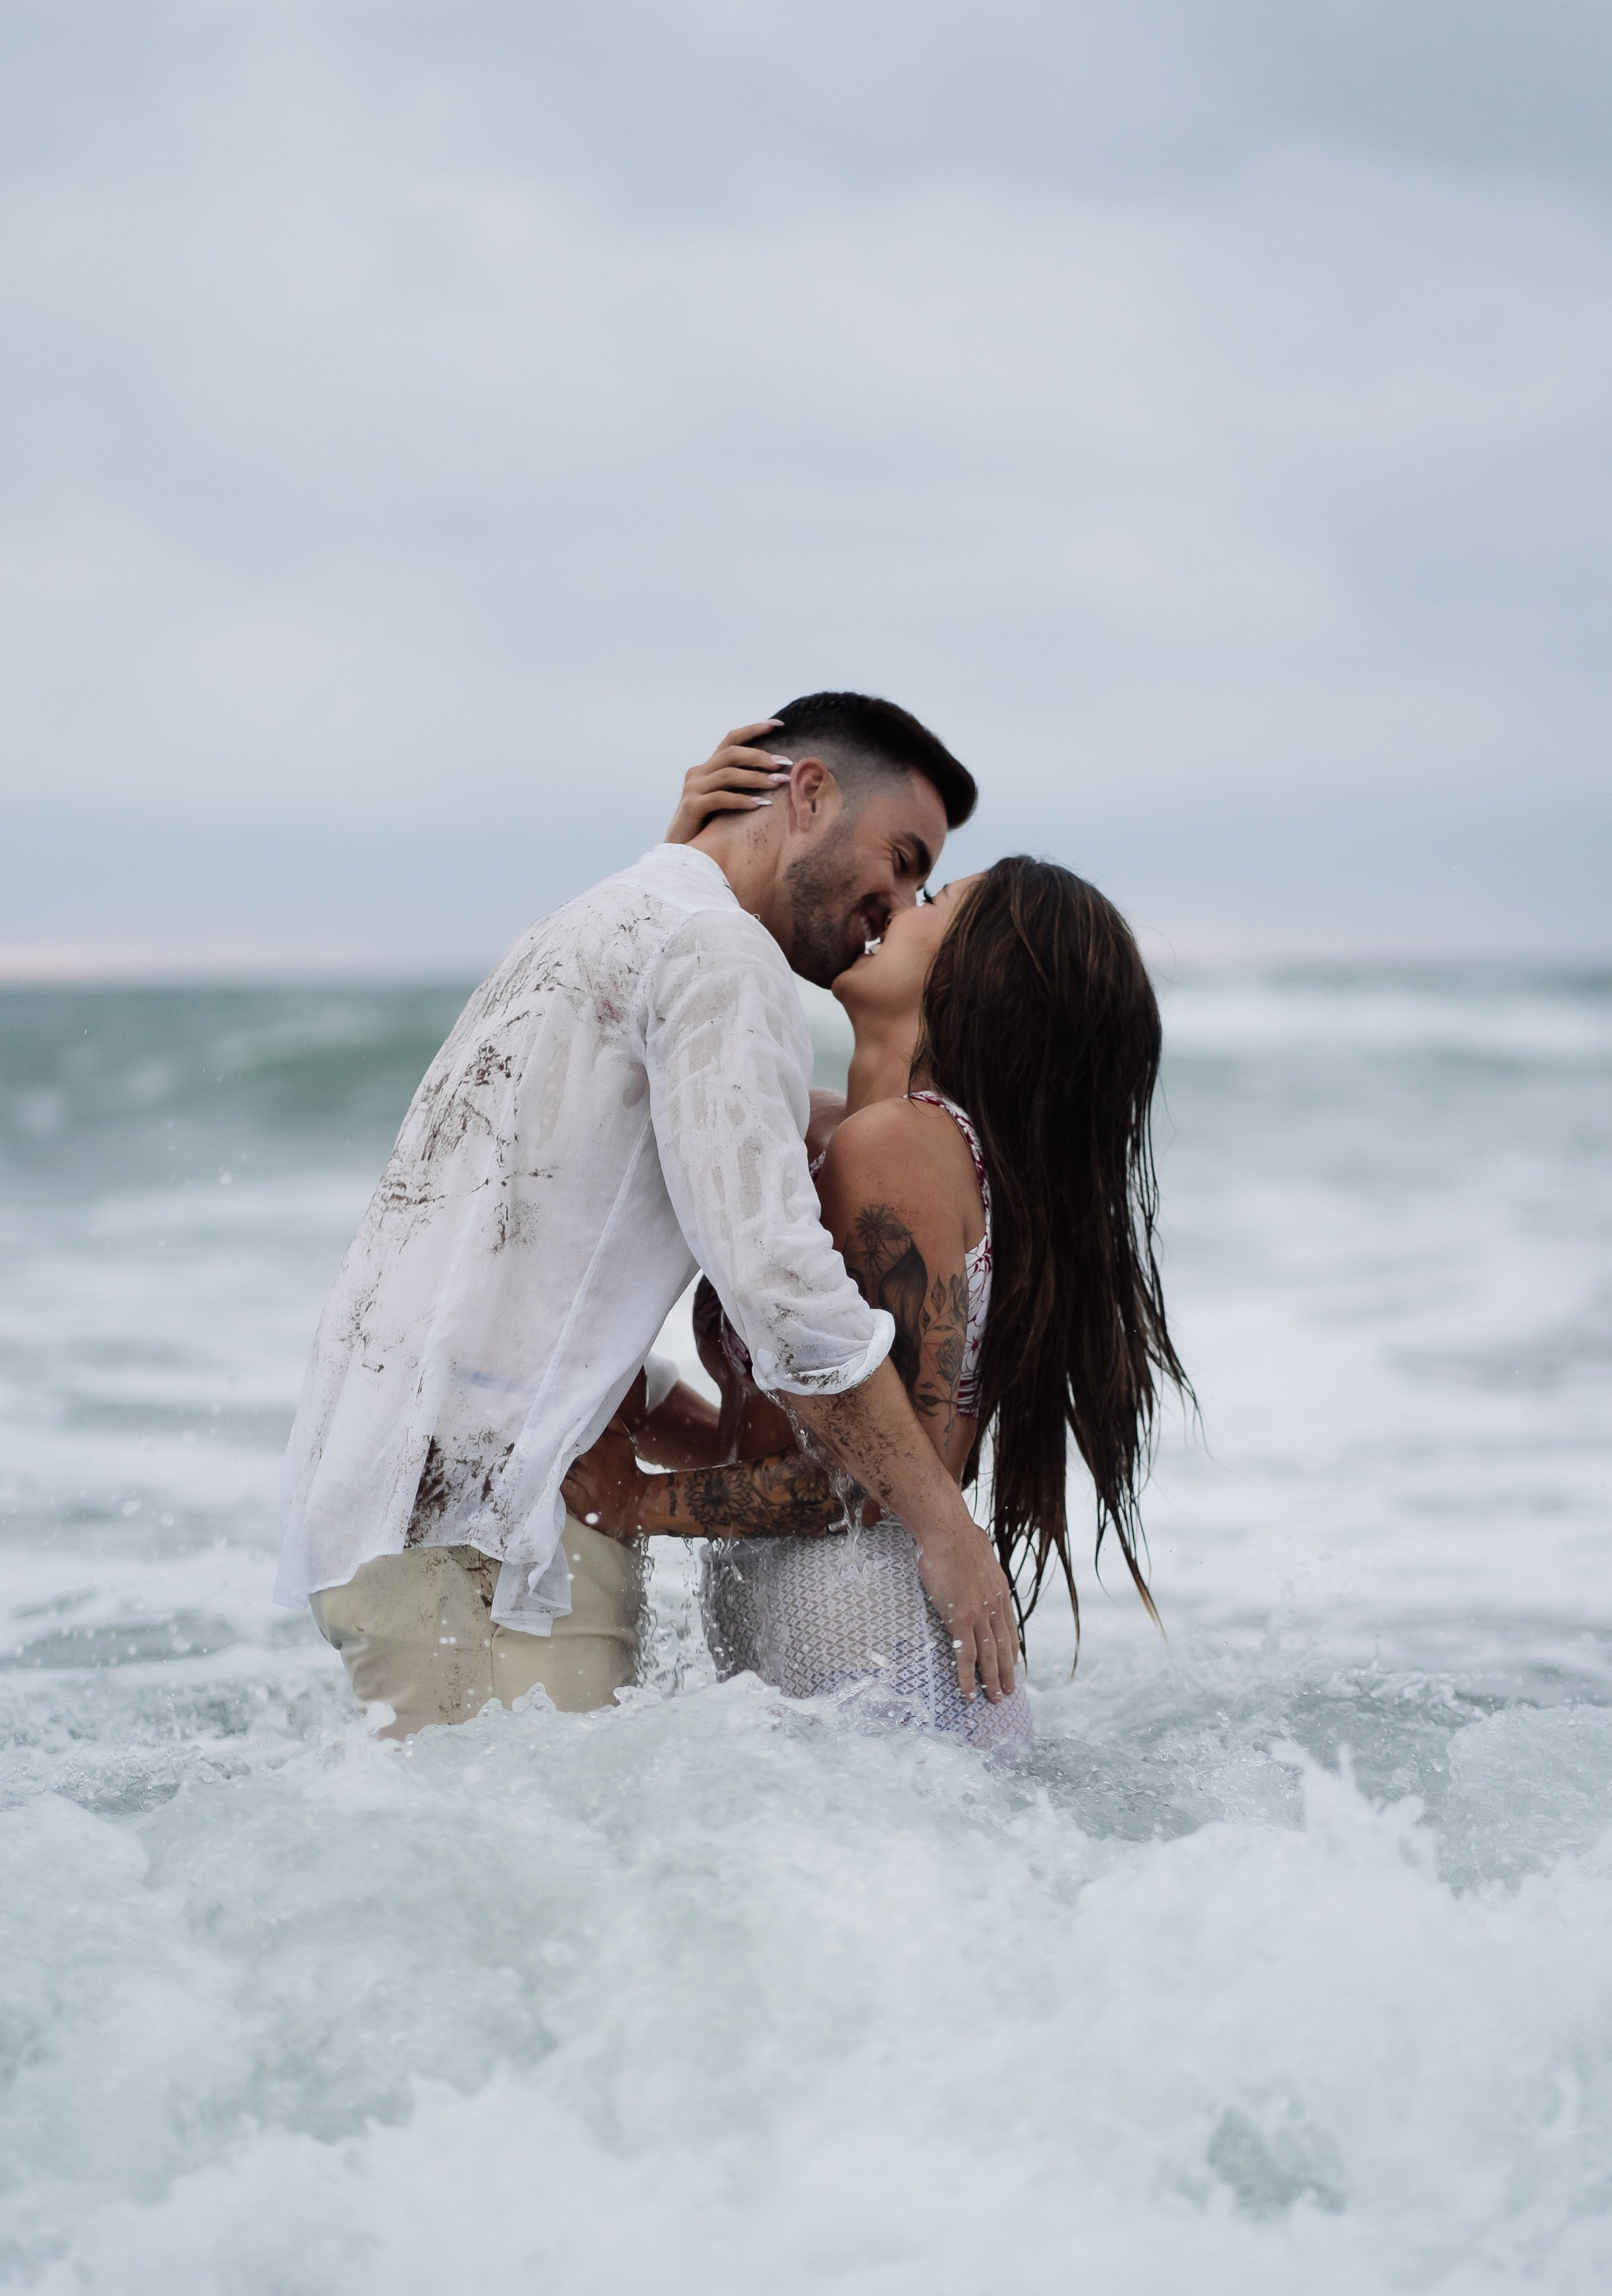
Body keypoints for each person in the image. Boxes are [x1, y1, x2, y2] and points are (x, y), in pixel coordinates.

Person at [276, 694, 1024, 1736]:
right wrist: (945, 1526)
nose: (895, 906)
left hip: (404, 1509)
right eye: (901, 862)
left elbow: (542, 1285)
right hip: (494, 1545)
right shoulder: (716, 956)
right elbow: (777, 1281)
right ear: (809, 794)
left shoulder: (592, 925)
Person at [562, 736, 1189, 1751]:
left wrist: (638, 1500)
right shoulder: (851, 1135)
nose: (894, 907)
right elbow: (786, 1438)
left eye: (932, 902)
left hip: (869, 1636)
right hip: (829, 1631)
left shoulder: (902, 1147)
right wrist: (691, 864)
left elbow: (864, 1480)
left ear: (985, 978)